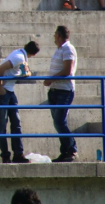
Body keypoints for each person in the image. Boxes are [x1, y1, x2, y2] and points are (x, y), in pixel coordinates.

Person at [0, 41, 40, 163]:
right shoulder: (19, 57)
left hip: (9, 91)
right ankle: (6, 156)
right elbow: (0, 68)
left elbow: (27, 72)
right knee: (3, 123)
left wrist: (27, 73)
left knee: (16, 122)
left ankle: (18, 154)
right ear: (33, 54)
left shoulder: (21, 56)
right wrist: (0, 87)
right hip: (1, 91)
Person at [44, 25, 78, 162]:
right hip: (55, 90)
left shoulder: (68, 48)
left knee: (59, 121)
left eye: (54, 35)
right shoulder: (60, 49)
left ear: (58, 35)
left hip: (64, 90)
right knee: (58, 122)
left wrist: (50, 79)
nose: (53, 37)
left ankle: (72, 149)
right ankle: (65, 151)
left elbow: (67, 70)